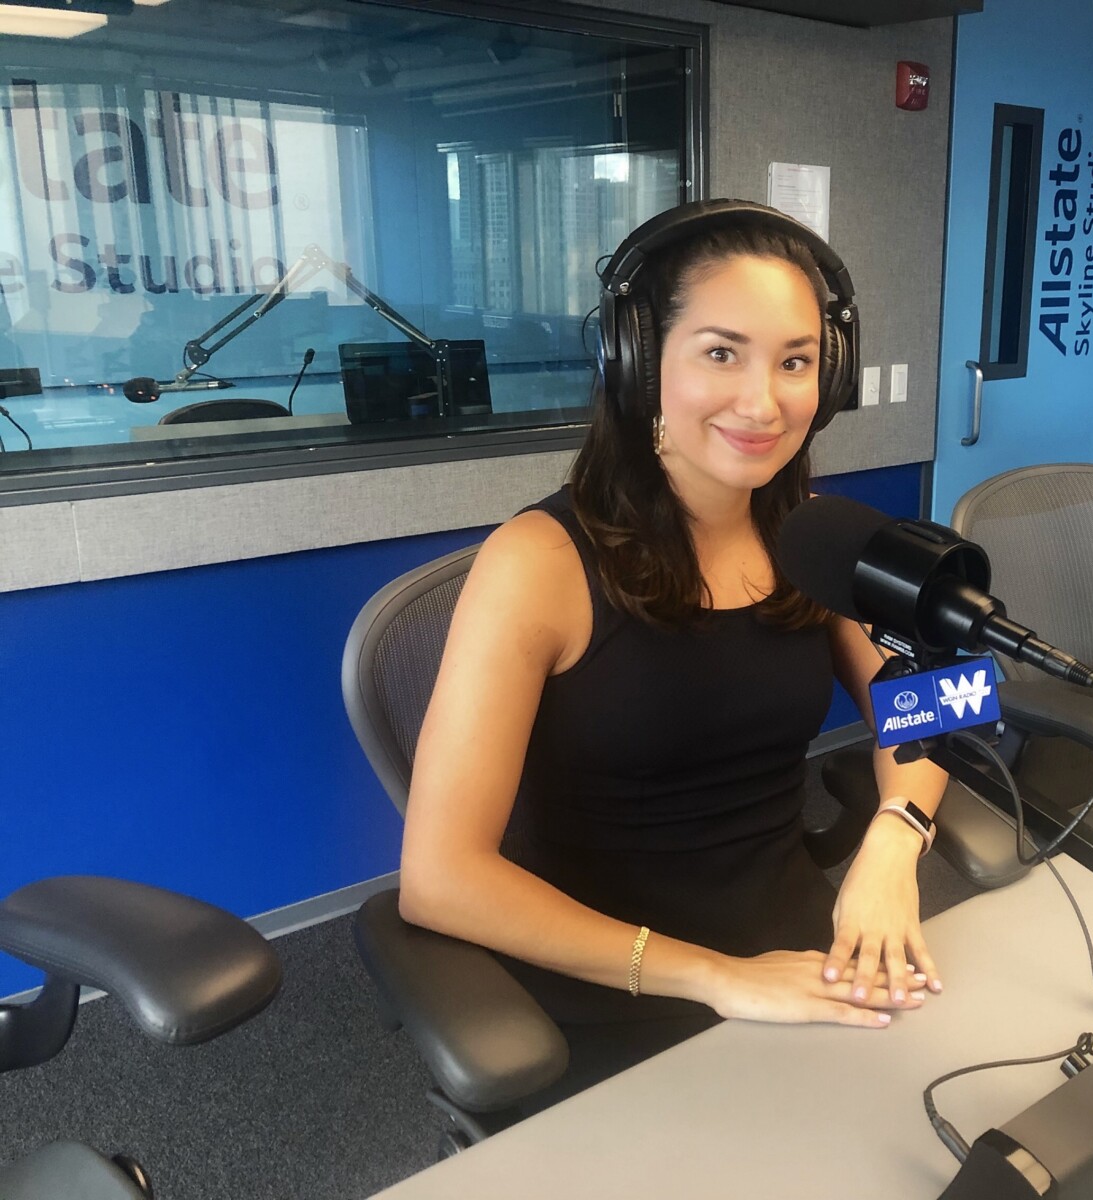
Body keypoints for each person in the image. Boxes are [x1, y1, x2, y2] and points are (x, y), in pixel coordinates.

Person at [397, 199, 949, 1101]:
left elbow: (936, 700)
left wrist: (897, 835)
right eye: (721, 353)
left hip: (809, 959)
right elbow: (438, 878)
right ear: (639, 362)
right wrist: (717, 977)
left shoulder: (815, 536)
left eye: (796, 361)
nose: (763, 402)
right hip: (616, 991)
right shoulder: (537, 563)